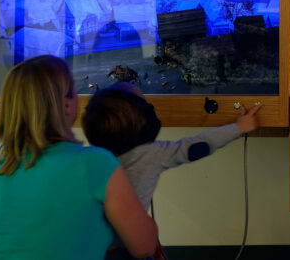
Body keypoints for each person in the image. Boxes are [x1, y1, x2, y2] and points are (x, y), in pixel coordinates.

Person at [0, 55, 158, 260]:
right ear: (66, 104)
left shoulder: (2, 170)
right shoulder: (95, 163)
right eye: (74, 89)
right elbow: (145, 246)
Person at [82, 82, 261, 213]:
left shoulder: (88, 158)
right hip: (130, 243)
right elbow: (196, 147)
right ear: (146, 121)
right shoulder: (151, 154)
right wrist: (239, 127)